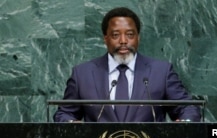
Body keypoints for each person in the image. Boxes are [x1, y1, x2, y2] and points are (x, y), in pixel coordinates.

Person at [53, 7, 201, 122]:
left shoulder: (161, 72)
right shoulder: (82, 74)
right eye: (116, 35)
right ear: (106, 39)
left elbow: (187, 107)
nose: (123, 41)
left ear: (138, 38)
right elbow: (65, 112)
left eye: (130, 34)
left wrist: (185, 122)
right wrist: (70, 123)